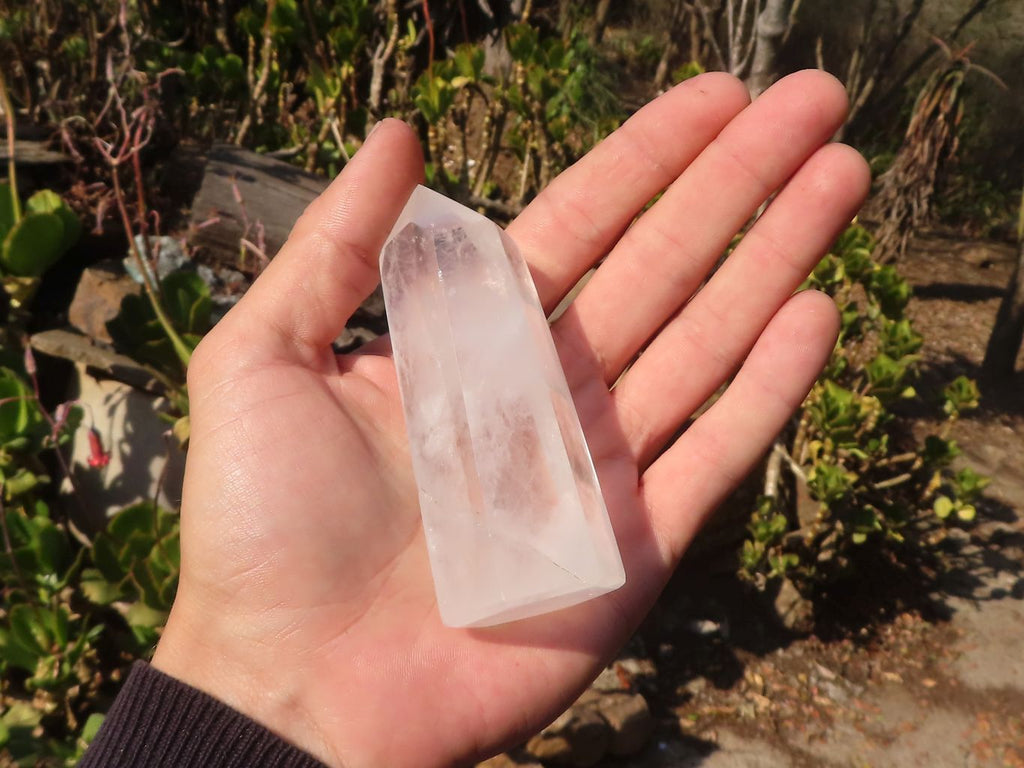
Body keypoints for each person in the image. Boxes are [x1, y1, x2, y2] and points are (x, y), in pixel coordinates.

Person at [80, 69, 869, 767]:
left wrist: (247, 703)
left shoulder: (442, 256)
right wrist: (257, 690)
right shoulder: (441, 257)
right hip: (531, 569)